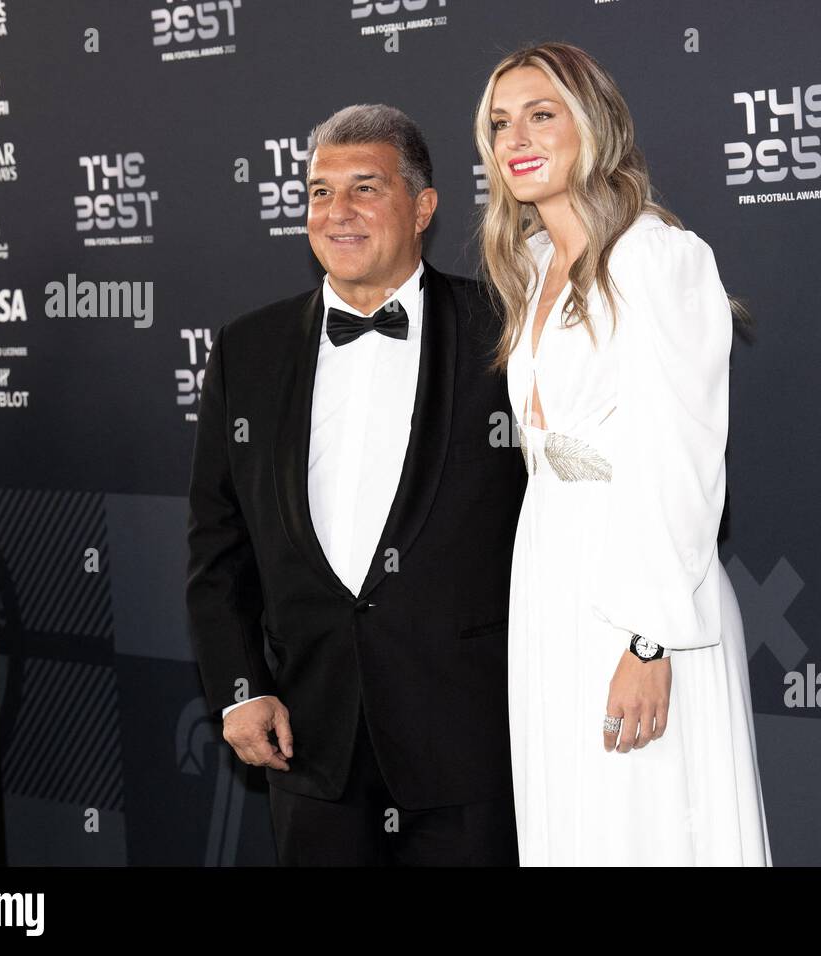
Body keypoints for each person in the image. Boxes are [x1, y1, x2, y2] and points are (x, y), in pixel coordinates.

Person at [186, 104, 526, 865]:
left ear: (424, 207)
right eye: (318, 192)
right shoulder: (249, 350)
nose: (336, 213)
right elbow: (218, 542)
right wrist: (240, 687)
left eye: (365, 189)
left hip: (469, 737)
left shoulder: (508, 329)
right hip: (309, 738)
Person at [473, 42, 773, 865]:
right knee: (573, 825)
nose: (516, 137)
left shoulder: (655, 258)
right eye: (500, 123)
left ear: (594, 125)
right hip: (549, 580)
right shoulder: (530, 265)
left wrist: (650, 641)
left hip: (640, 591)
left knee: (645, 820)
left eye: (542, 114)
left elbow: (681, 461)